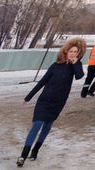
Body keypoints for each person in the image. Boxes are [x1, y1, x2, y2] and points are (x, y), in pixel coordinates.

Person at [18, 37, 84, 165]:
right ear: (66, 51)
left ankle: (36, 150)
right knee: (36, 126)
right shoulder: (55, 66)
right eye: (71, 51)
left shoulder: (76, 66)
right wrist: (28, 97)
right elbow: (42, 82)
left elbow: (79, 76)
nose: (73, 54)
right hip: (44, 100)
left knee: (47, 127)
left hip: (58, 102)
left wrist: (75, 63)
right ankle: (23, 155)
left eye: (76, 52)